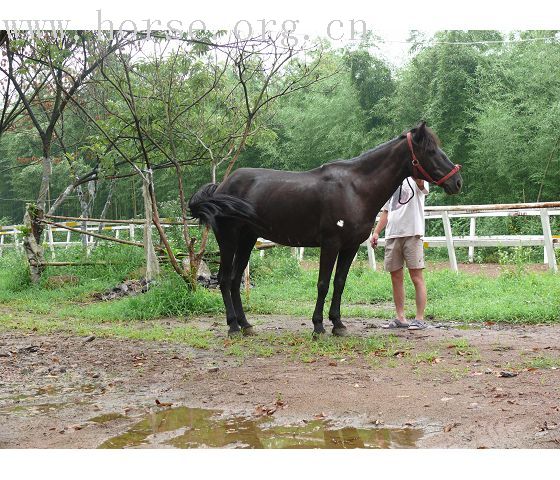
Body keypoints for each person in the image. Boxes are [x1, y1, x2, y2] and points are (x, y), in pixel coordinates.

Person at [370, 177, 429, 330]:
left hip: (413, 233)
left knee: (416, 276)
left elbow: (422, 186)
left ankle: (419, 318)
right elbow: (386, 211)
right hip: (392, 235)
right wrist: (376, 232)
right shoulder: (391, 181)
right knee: (396, 277)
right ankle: (400, 317)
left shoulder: (417, 179)